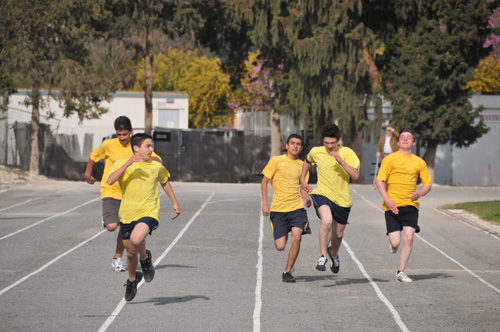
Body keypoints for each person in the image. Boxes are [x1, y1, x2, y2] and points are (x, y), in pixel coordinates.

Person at [107, 133, 181, 301]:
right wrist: (127, 164)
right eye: (148, 146)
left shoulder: (156, 166)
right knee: (131, 254)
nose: (151, 149)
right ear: (136, 148)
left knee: (136, 238)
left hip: (149, 211)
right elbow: (110, 180)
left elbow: (165, 181)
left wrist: (175, 202)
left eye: (151, 146)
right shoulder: (121, 164)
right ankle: (133, 279)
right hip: (127, 214)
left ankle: (146, 259)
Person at [84, 116, 162, 272]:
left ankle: (117, 257)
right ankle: (108, 219)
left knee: (124, 227)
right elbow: (93, 157)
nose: (122, 138)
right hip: (110, 190)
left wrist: (142, 158)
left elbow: (157, 160)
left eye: (125, 134)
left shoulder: (137, 146)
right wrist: (87, 174)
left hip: (130, 194)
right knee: (112, 226)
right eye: (119, 134)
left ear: (131, 132)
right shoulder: (108, 145)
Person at [300, 124, 360, 274]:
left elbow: (355, 175)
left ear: (339, 140)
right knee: (326, 221)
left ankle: (333, 254)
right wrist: (302, 179)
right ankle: (322, 256)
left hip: (342, 199)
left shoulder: (348, 153)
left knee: (338, 234)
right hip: (322, 193)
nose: (329, 146)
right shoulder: (316, 151)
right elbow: (307, 161)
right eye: (326, 143)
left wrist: (341, 162)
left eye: (333, 143)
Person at [375, 127, 431, 283]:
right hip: (392, 206)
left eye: (409, 137)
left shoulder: (419, 162)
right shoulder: (390, 159)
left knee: (409, 238)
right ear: (398, 142)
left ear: (413, 143)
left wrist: (419, 194)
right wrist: (387, 200)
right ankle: (393, 245)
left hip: (410, 206)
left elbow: (427, 184)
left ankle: (400, 272)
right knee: (396, 242)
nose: (406, 139)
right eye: (403, 137)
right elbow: (380, 181)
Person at [261, 134, 312, 283]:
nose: (295, 146)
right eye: (292, 143)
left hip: (296, 207)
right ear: (287, 145)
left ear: (301, 148)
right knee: (280, 246)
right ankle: (286, 228)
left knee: (297, 237)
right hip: (279, 208)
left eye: (298, 144)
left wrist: (307, 198)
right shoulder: (276, 161)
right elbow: (264, 182)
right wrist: (265, 204)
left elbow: (302, 187)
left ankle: (287, 271)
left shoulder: (303, 166)